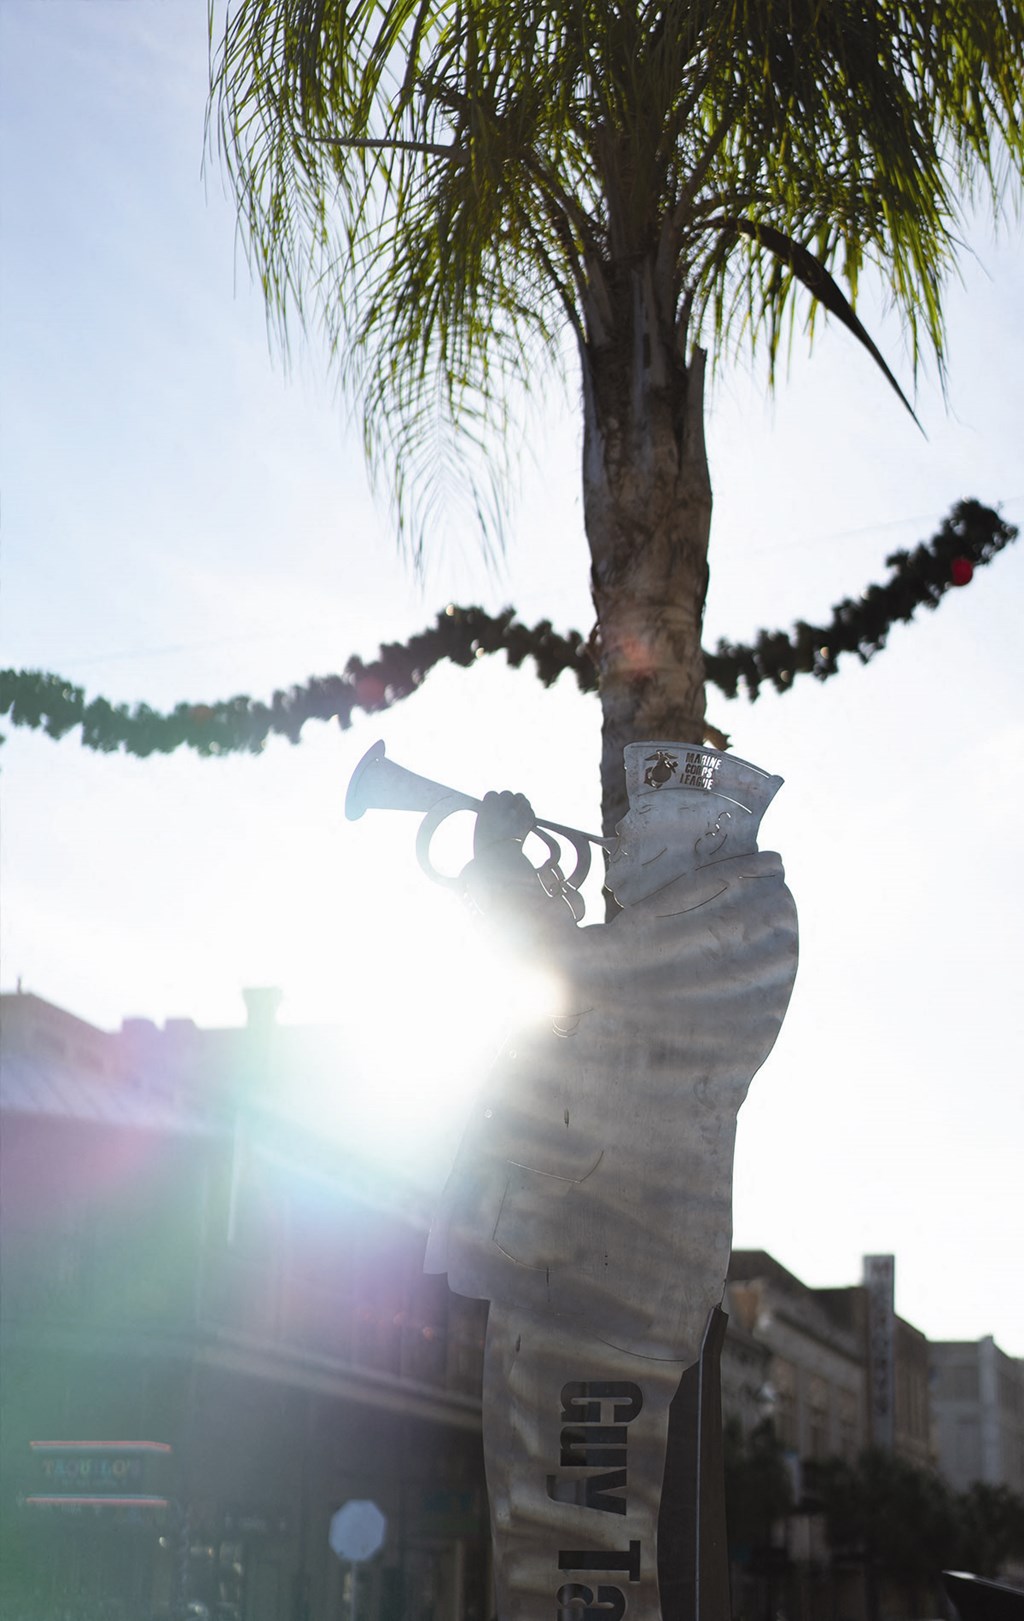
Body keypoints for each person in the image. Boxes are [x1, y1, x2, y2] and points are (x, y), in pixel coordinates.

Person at [424, 742, 798, 1621]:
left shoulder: (735, 926)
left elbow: (574, 981)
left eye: (638, 829)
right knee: (540, 1542)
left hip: (601, 1278)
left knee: (575, 1552)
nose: (618, 850)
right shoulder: (718, 922)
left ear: (693, 836)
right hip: (576, 1258)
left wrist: (500, 871)